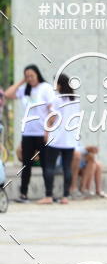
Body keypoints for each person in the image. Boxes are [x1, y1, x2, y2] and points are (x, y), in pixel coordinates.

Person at [4, 64, 54, 202]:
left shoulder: (46, 88)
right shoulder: (24, 89)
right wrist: (21, 82)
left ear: (38, 74)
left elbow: (52, 111)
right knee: (26, 165)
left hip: (42, 132)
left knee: (45, 164)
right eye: (27, 76)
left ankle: (49, 194)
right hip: (28, 133)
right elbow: (7, 94)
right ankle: (23, 194)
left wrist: (48, 130)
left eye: (32, 75)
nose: (30, 78)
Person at [46, 73, 80, 203]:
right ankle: (65, 196)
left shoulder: (57, 99)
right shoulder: (75, 100)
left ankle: (49, 195)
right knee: (67, 168)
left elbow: (53, 118)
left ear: (59, 84)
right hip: (69, 139)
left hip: (56, 138)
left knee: (50, 167)